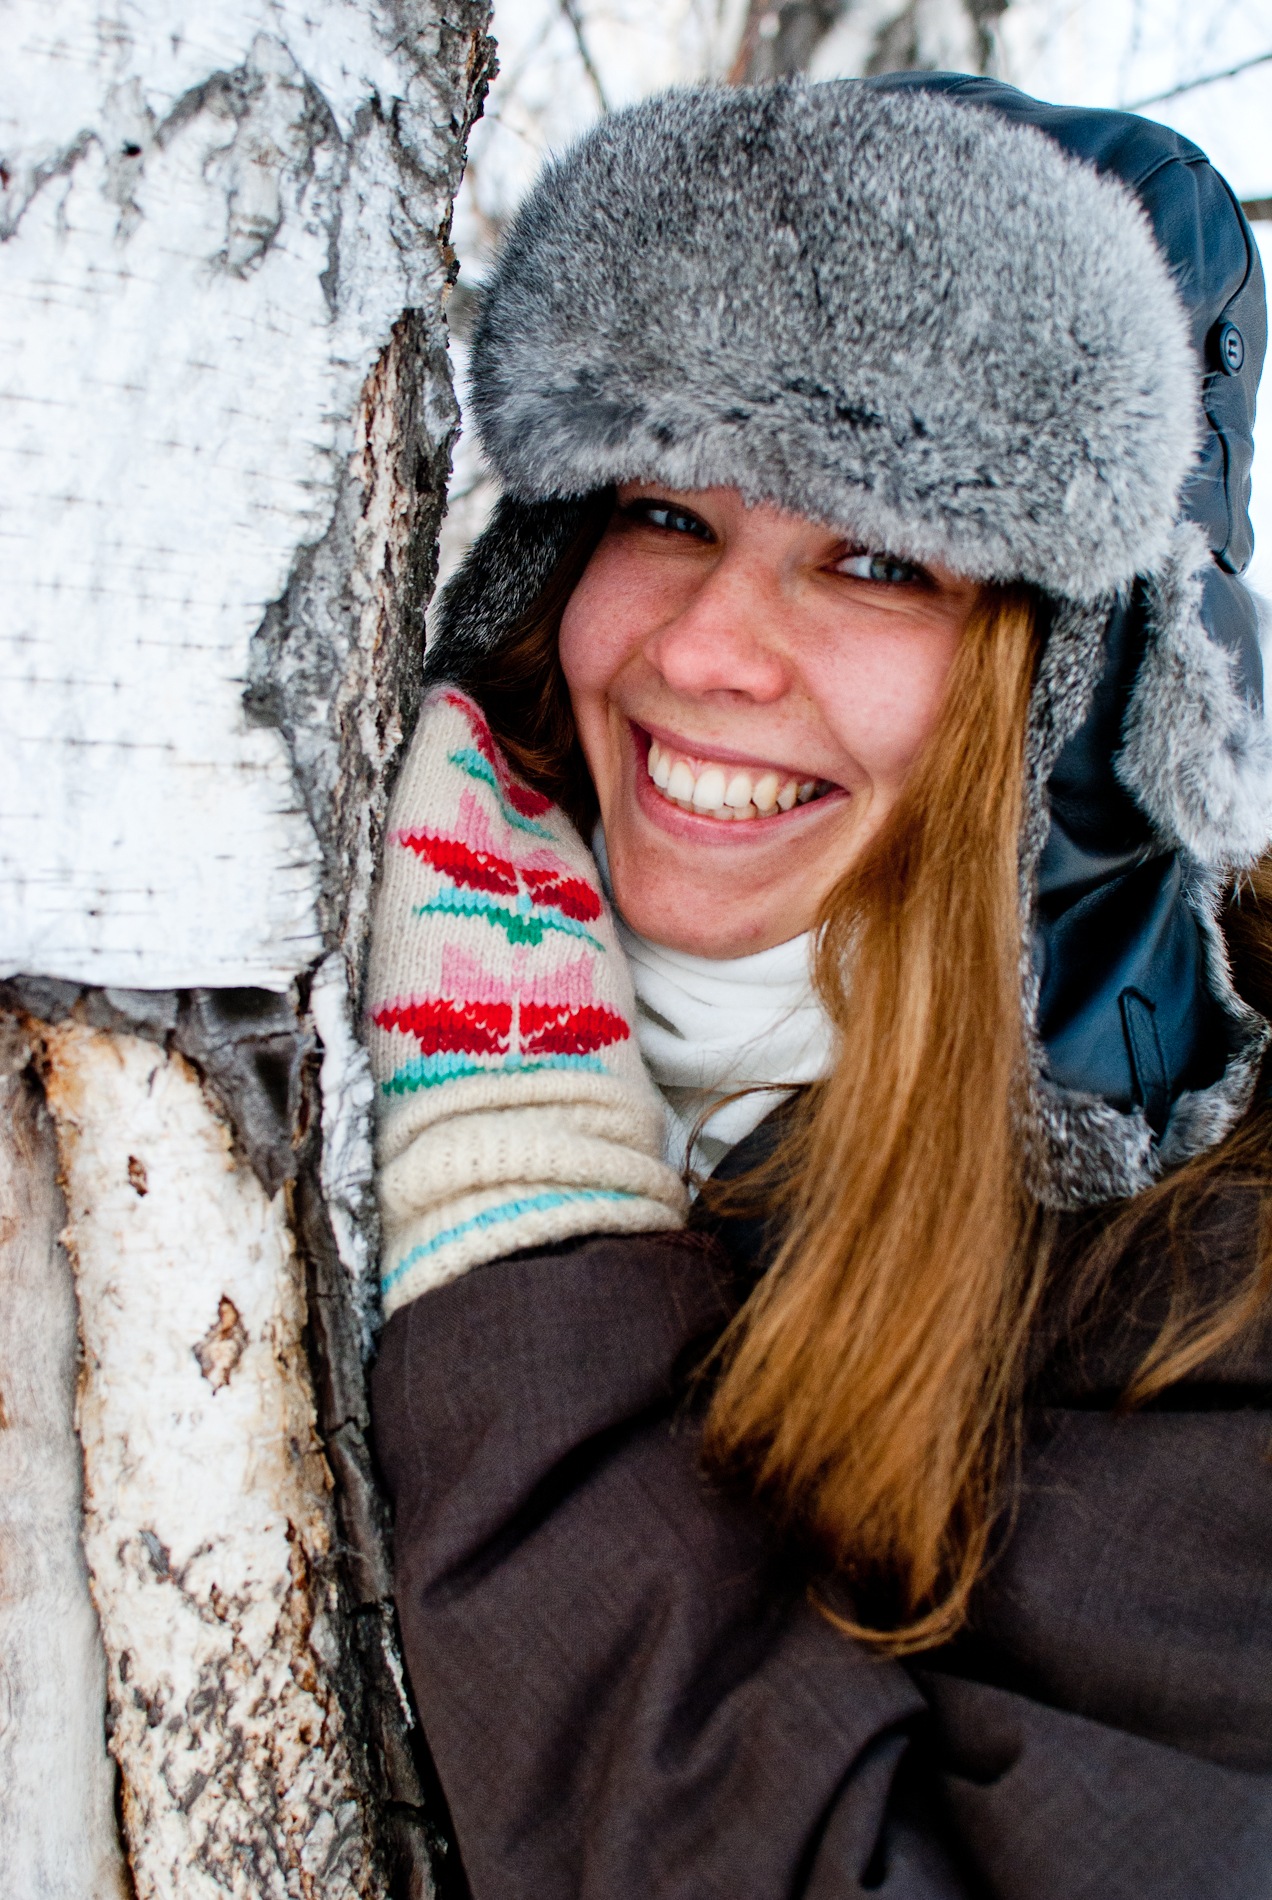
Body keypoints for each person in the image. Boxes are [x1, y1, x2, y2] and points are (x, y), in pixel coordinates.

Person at [366, 74, 1272, 1898]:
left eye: (873, 560)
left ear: (1079, 701)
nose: (707, 649)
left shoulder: (1210, 1285)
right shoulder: (363, 955)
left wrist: (520, 1198)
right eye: (666, 514)